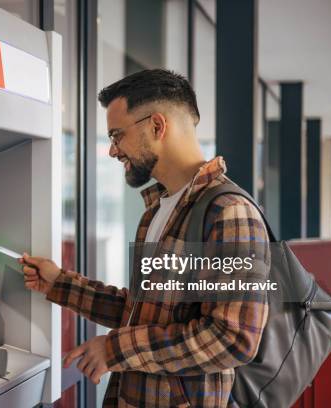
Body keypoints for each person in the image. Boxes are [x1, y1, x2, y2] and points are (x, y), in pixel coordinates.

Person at [18, 69, 270, 407]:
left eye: (116, 135)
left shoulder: (229, 211)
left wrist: (115, 349)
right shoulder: (157, 210)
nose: (112, 150)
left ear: (156, 126)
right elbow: (143, 311)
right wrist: (59, 284)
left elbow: (233, 338)